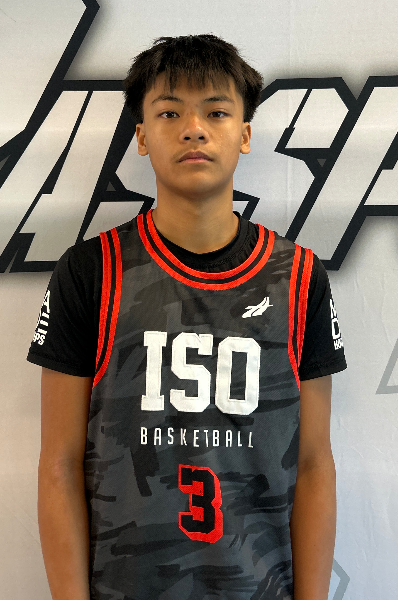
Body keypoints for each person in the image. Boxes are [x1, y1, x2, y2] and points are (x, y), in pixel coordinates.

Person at [27, 34, 347, 600]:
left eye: (216, 112)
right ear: (141, 135)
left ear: (244, 133)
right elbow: (59, 464)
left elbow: (315, 465)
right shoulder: (91, 271)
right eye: (170, 112)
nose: (194, 129)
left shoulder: (299, 278)